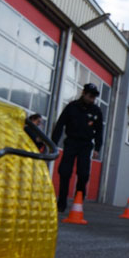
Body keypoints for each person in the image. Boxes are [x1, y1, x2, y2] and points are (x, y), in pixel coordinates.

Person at [51, 83, 104, 212]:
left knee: (83, 173)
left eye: (94, 97)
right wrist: (53, 143)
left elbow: (99, 131)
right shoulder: (71, 107)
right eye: (90, 96)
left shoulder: (96, 111)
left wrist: (97, 148)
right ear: (84, 93)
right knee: (65, 171)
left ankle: (78, 201)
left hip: (86, 145)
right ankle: (61, 203)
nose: (92, 99)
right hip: (71, 142)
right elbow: (60, 124)